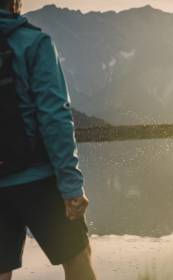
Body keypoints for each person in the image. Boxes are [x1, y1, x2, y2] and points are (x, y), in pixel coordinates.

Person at [0, 1, 96, 279]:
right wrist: (71, 186)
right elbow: (55, 117)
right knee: (77, 259)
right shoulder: (33, 42)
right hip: (40, 181)